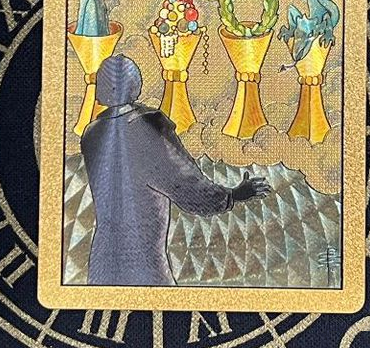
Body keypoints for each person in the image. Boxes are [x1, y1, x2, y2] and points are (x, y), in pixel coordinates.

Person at [78, 54, 266, 287]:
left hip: (101, 262)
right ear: (135, 85)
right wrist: (233, 195)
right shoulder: (146, 129)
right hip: (144, 265)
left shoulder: (91, 133)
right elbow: (188, 188)